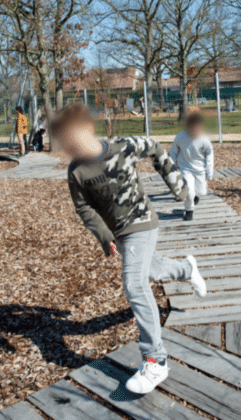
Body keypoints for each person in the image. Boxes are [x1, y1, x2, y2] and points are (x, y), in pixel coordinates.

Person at [49, 103, 207, 395]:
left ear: (88, 131)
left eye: (72, 139)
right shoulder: (76, 172)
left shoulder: (123, 147)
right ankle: (186, 269)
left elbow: (156, 147)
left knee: (134, 285)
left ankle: (155, 360)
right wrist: (103, 235)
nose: (68, 148)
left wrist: (177, 185)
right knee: (152, 270)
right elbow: (84, 208)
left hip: (142, 222)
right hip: (120, 233)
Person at [169, 112, 214, 221]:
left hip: (200, 169)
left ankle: (196, 196)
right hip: (185, 168)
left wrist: (209, 171)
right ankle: (189, 211)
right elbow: (173, 152)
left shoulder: (204, 138)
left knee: (201, 192)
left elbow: (209, 153)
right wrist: (170, 166)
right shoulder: (180, 136)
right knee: (189, 192)